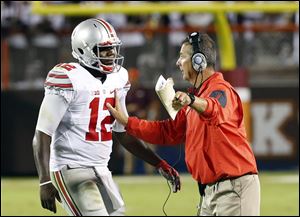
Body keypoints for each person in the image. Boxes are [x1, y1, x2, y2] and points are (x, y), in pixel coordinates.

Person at [32, 18, 180, 216]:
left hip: (101, 168)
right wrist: (45, 180)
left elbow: (122, 131)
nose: (112, 54)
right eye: (104, 49)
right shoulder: (68, 78)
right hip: (70, 168)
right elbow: (42, 134)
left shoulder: (118, 78)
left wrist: (158, 163)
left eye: (113, 48)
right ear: (85, 50)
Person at [107, 32, 260, 216]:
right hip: (209, 192)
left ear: (199, 61)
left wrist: (191, 100)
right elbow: (167, 132)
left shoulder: (220, 90)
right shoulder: (197, 97)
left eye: (182, 56)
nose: (178, 62)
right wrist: (128, 122)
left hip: (234, 188)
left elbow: (215, 109)